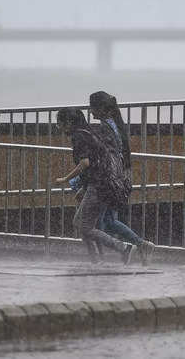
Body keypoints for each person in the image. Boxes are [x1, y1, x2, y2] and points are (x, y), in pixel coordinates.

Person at [55, 107, 136, 265]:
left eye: (60, 124)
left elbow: (85, 163)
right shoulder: (89, 132)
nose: (60, 128)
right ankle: (96, 260)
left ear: (70, 123)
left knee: (85, 226)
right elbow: (97, 163)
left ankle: (123, 247)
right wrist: (83, 188)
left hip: (100, 186)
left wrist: (65, 179)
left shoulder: (79, 136)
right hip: (101, 184)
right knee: (80, 222)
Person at [89, 91, 156, 266]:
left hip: (109, 179)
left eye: (92, 107)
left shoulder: (105, 128)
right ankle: (140, 245)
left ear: (102, 108)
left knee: (99, 221)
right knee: (108, 220)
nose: (90, 111)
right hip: (118, 178)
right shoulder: (115, 125)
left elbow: (103, 156)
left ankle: (104, 257)